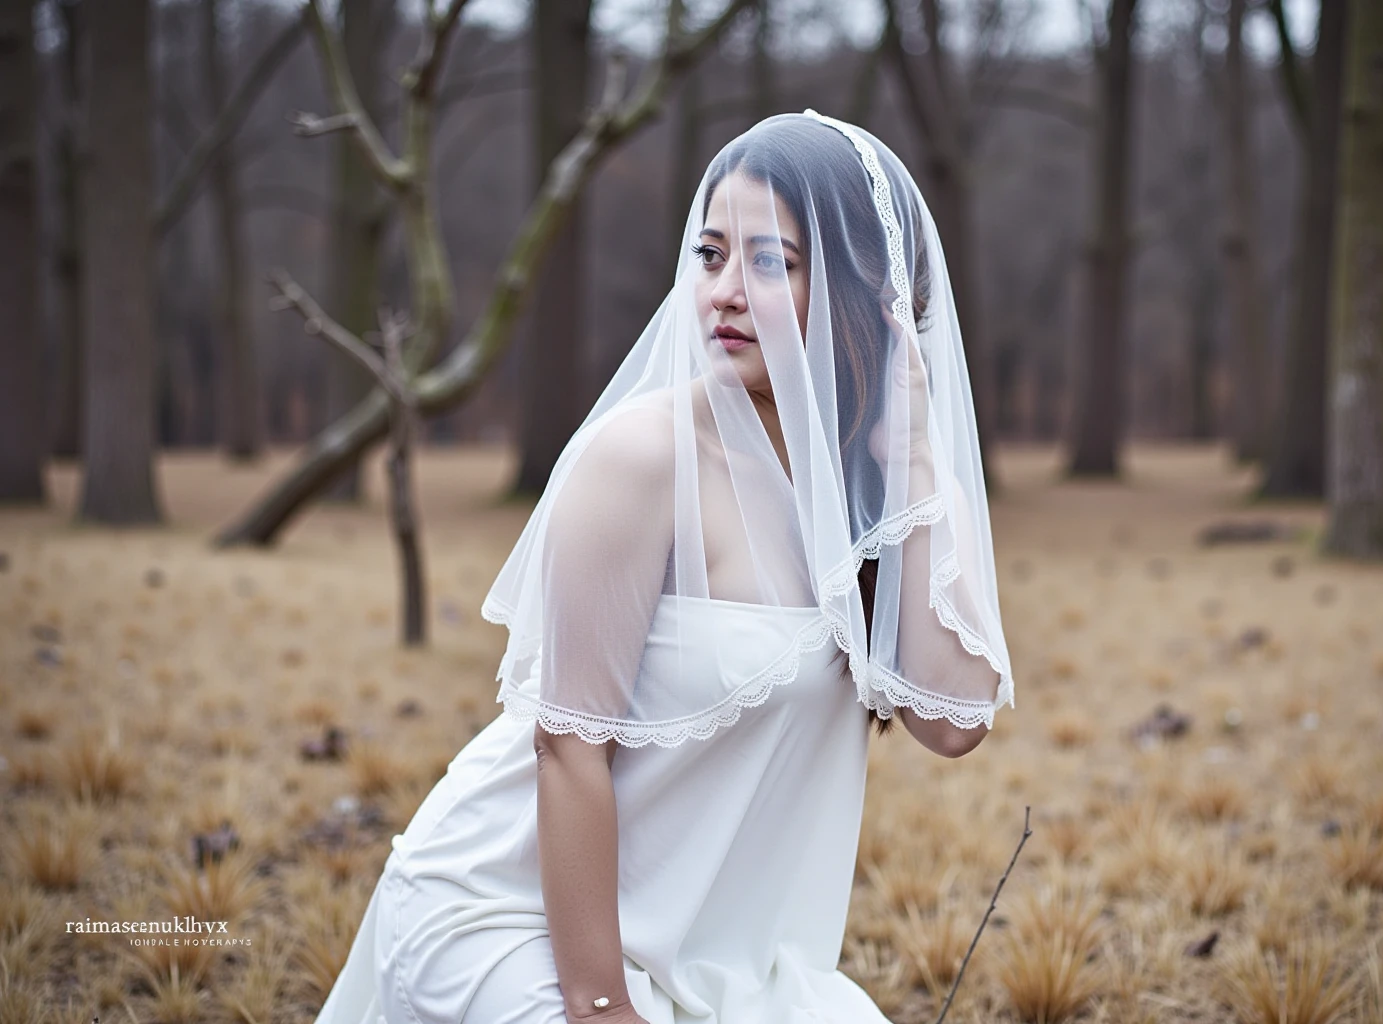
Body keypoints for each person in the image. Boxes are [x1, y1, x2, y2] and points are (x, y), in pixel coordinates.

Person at [313, 110, 1014, 1024]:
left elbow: (952, 722)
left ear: (859, 292)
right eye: (711, 253)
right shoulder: (641, 460)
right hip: (518, 922)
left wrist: (914, 460)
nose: (721, 291)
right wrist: (602, 1009)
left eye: (770, 262)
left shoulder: (903, 493)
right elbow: (566, 747)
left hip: (732, 958)